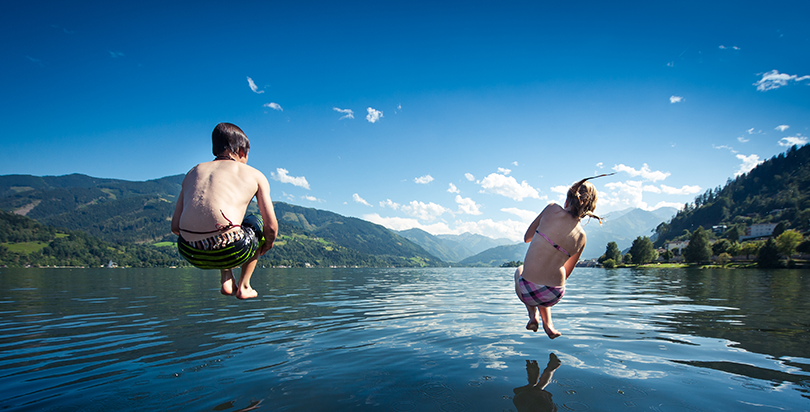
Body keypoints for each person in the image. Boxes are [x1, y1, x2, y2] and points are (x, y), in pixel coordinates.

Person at [171, 123, 278, 299]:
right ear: (242, 152)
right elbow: (271, 227)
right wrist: (266, 244)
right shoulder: (254, 174)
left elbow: (175, 226)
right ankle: (244, 286)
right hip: (232, 250)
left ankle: (226, 278)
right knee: (255, 220)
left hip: (189, 251)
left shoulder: (192, 172)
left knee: (224, 227)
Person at [515, 174, 610, 339]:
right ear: (589, 209)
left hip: (528, 291)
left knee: (520, 271)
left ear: (567, 199)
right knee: (544, 286)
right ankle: (549, 325)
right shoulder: (582, 237)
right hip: (554, 293)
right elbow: (567, 272)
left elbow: (526, 238)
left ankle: (532, 315)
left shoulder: (552, 208)